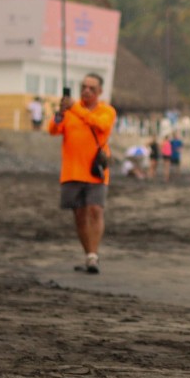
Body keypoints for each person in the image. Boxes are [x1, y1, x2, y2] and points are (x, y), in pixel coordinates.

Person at [49, 73, 116, 274]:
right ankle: (88, 254)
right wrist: (60, 113)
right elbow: (53, 130)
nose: (87, 91)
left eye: (92, 88)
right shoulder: (70, 110)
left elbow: (101, 125)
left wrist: (75, 108)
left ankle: (93, 256)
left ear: (100, 92)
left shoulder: (107, 111)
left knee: (96, 210)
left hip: (95, 171)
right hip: (71, 171)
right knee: (79, 215)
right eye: (84, 87)